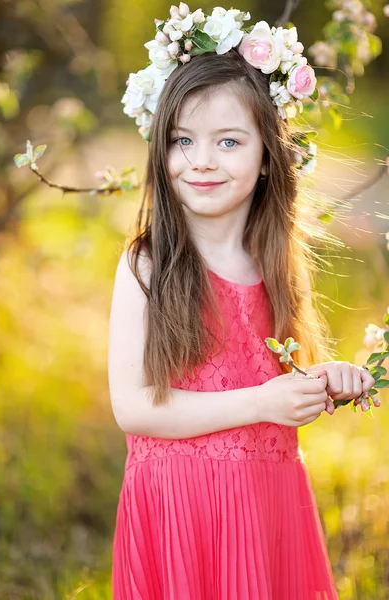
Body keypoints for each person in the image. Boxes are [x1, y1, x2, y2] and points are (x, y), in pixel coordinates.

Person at [108, 6, 375, 599]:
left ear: (265, 157)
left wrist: (320, 381)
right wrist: (262, 401)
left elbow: (277, 381)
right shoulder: (148, 264)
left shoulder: (275, 264)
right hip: (182, 507)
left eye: (228, 141)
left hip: (267, 501)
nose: (202, 160)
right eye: (184, 140)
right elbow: (134, 409)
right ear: (162, 149)